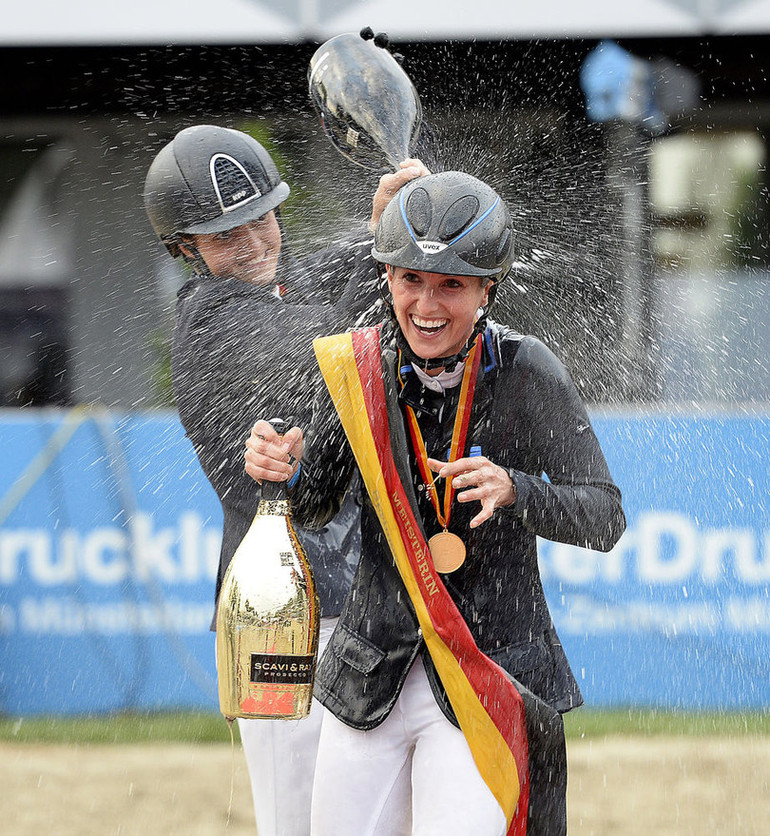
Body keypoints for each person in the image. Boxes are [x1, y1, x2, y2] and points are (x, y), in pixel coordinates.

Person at [244, 170, 627, 835]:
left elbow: (605, 516)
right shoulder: (355, 364)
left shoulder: (528, 370)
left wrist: (517, 489)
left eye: (452, 284)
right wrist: (283, 470)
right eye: (410, 279)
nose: (426, 303)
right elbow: (313, 506)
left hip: (486, 677)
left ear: (487, 288)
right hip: (370, 680)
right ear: (387, 275)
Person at [143, 124, 427, 836]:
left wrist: (385, 226)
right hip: (275, 619)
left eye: (259, 217)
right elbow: (337, 339)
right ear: (186, 249)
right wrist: (394, 260)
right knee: (299, 825)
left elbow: (339, 274)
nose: (251, 241)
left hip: (353, 606)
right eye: (223, 233)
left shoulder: (286, 280)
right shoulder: (210, 319)